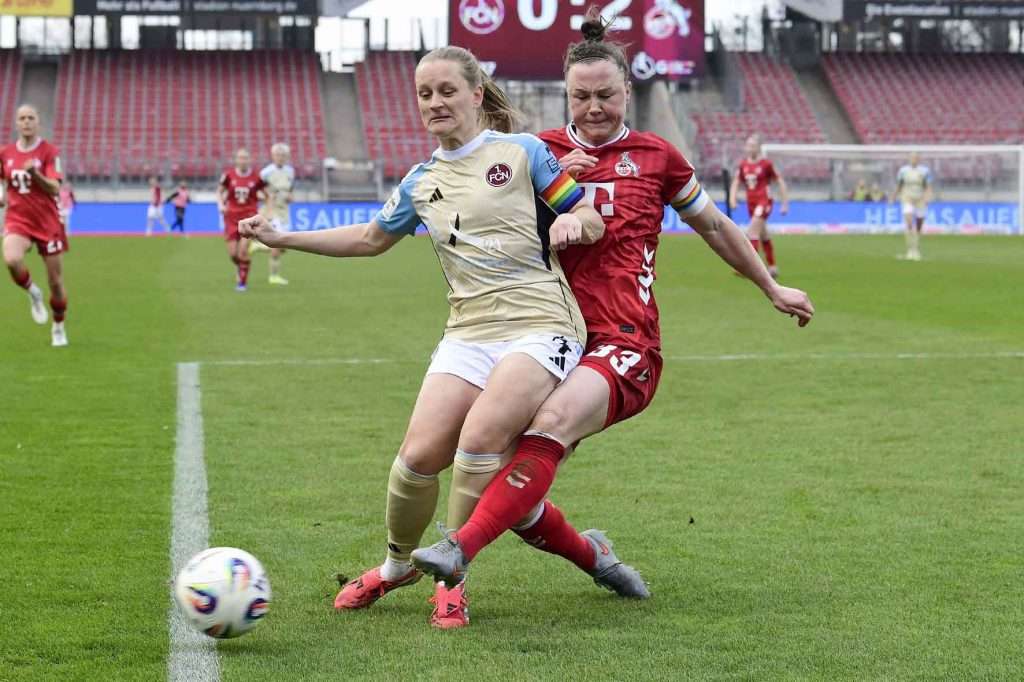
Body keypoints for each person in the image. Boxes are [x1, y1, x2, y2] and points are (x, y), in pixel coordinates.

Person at [409, 14, 816, 620]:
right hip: (549, 335)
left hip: (625, 339)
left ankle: (456, 553)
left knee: (549, 429)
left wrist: (770, 286)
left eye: (606, 94)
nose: (594, 107)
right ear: (566, 94)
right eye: (581, 96)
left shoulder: (657, 157)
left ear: (627, 90)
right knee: (506, 482)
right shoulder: (534, 153)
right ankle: (593, 556)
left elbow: (713, 224)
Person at [239, 45, 606, 629]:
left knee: (479, 439)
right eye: (424, 93)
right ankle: (396, 567)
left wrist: (570, 220)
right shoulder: (420, 181)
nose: (434, 102)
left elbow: (590, 216)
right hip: (468, 329)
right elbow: (369, 239)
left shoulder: (523, 152)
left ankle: (451, 580)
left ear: (476, 94)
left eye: (446, 90)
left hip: (541, 323)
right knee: (415, 460)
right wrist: (283, 239)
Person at [0, 104, 70, 347]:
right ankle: (33, 292)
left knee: (56, 283)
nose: (27, 122)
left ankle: (58, 325)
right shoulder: (6, 153)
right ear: (16, 123)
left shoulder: (49, 152)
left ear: (38, 122)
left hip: (47, 222)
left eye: (31, 117)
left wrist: (35, 174)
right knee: (11, 259)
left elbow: (54, 187)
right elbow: (2, 177)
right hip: (18, 219)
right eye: (22, 118)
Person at [729, 135, 789, 279]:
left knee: (751, 232)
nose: (749, 148)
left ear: (759, 147)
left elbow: (780, 181)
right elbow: (736, 182)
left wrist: (784, 203)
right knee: (763, 234)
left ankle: (749, 268)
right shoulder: (743, 165)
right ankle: (772, 267)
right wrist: (732, 199)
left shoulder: (766, 164)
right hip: (751, 203)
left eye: (752, 145)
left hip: (764, 201)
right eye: (748, 145)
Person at [219, 149, 265, 291]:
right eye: (240, 158)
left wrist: (263, 209)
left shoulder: (256, 177)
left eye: (245, 158)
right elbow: (219, 191)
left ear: (249, 160)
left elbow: (266, 195)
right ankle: (243, 266)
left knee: (243, 251)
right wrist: (221, 204)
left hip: (249, 217)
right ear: (236, 160)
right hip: (231, 218)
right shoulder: (228, 175)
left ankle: (242, 284)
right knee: (233, 255)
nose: (243, 160)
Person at [258, 143, 295, 285]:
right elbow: (258, 192)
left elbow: (290, 191)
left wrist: (290, 197)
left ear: (287, 157)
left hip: (284, 212)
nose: (280, 157)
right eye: (278, 155)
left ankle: (259, 246)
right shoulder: (265, 173)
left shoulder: (290, 171)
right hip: (271, 211)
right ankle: (273, 276)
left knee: (284, 246)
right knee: (279, 243)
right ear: (272, 156)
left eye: (283, 155)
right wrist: (267, 199)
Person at [891, 152, 932, 261]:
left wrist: (928, 197)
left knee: (919, 225)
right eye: (912, 158)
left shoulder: (925, 171)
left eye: (916, 158)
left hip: (920, 198)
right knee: (909, 222)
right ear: (909, 159)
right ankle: (909, 249)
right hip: (907, 197)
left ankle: (916, 248)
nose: (914, 159)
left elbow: (928, 186)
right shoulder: (903, 171)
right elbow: (899, 185)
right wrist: (893, 196)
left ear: (919, 159)